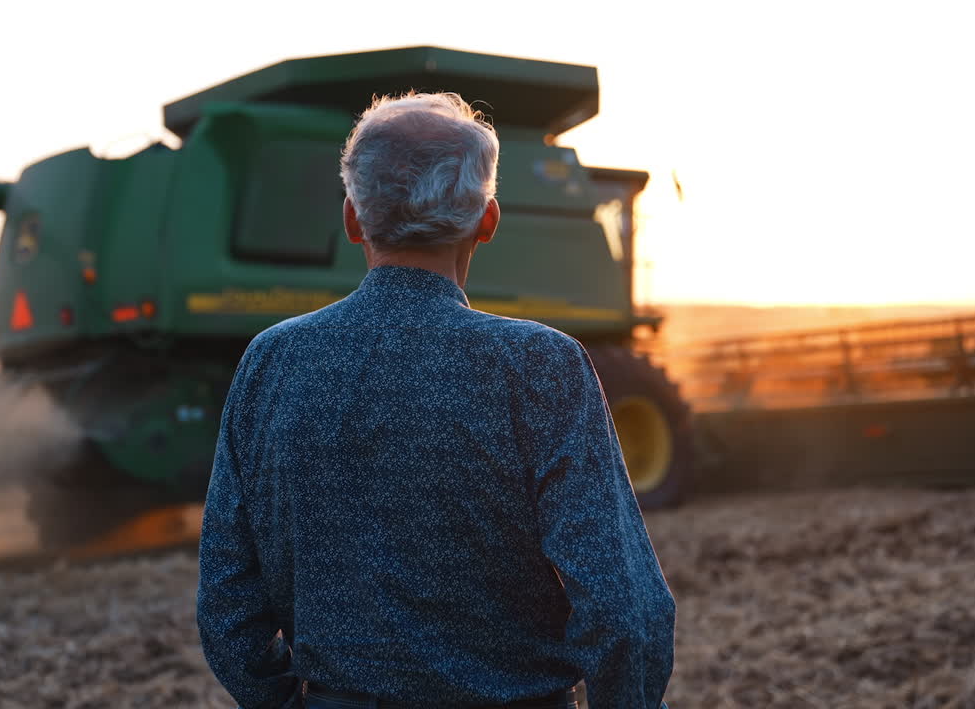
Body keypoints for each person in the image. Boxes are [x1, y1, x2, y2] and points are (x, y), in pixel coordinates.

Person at [197, 92, 675, 709]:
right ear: (488, 220)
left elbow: (227, 602)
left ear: (352, 218)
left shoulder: (273, 361)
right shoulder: (539, 365)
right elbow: (621, 607)